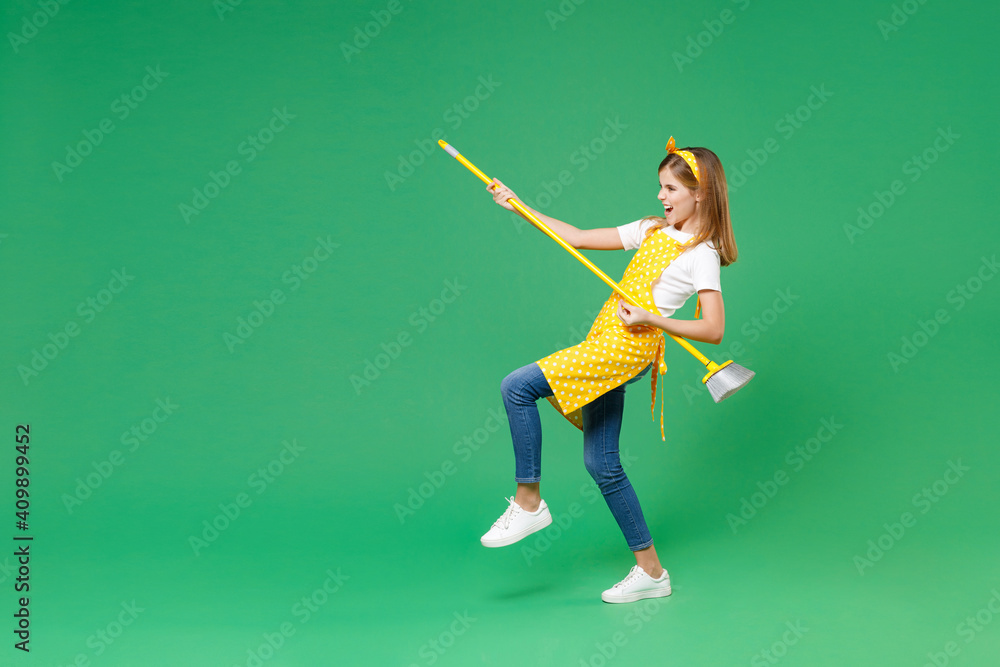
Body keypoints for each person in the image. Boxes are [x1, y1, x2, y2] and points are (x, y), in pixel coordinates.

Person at [479, 138, 738, 603]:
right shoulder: (652, 229)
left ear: (700, 194)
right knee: (602, 463)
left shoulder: (702, 253)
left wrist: (652, 317)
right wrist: (520, 206)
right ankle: (652, 572)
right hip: (604, 341)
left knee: (517, 387)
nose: (661, 195)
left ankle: (529, 501)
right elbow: (577, 237)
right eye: (660, 186)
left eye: (671, 188)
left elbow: (713, 329)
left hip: (628, 348)